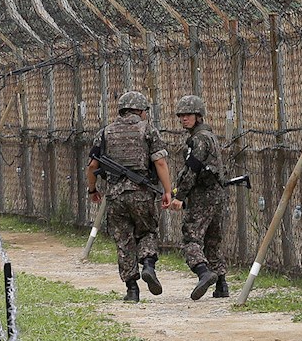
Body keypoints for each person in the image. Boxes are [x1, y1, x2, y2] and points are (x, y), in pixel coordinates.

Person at [87, 90, 175, 302]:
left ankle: (132, 290)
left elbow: (92, 165)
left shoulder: (105, 132)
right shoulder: (148, 130)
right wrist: (168, 191)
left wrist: (93, 190)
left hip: (115, 196)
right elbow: (160, 162)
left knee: (124, 240)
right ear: (141, 111)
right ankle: (148, 265)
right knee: (147, 231)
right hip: (142, 193)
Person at [170, 93, 229, 300]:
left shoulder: (200, 139)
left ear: (198, 116)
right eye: (181, 115)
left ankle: (203, 272)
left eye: (188, 115)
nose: (183, 119)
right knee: (213, 240)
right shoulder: (209, 136)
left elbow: (192, 169)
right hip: (216, 195)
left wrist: (180, 195)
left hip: (203, 195)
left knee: (191, 237)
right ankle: (221, 285)